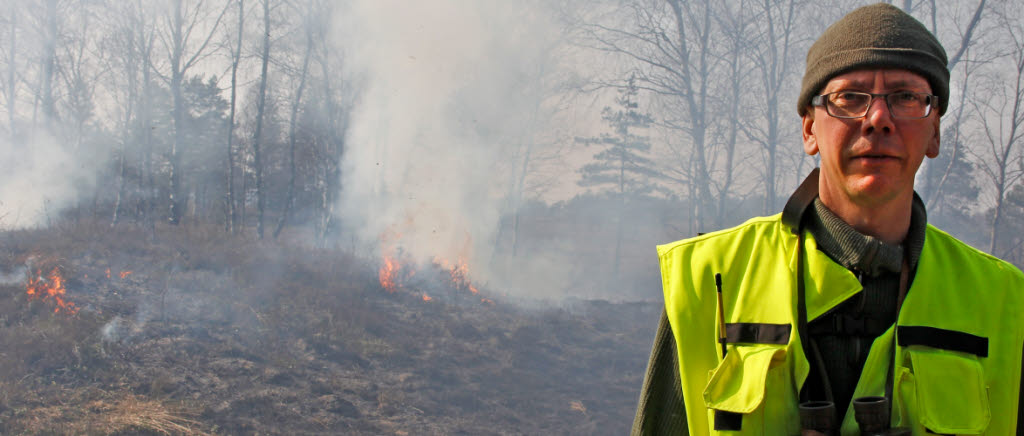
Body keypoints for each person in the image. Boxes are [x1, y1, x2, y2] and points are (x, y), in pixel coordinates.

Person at [631, 3, 1024, 435]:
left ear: (934, 133)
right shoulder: (710, 280)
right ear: (809, 130)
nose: (877, 119)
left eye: (906, 97)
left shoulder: (1005, 303)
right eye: (849, 98)